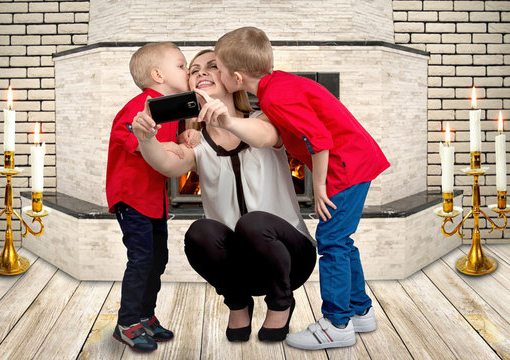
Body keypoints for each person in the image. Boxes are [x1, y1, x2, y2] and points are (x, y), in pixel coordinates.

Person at [198, 27, 390, 350]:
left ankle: (336, 323)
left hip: (345, 169)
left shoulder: (275, 96)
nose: (215, 72)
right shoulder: (278, 84)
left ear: (238, 78)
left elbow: (320, 139)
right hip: (354, 161)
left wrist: (317, 187)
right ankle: (361, 310)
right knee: (342, 239)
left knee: (332, 241)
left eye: (218, 67)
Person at [131, 49, 317, 343]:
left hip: (291, 258)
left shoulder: (265, 118)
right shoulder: (197, 145)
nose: (201, 72)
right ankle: (238, 302)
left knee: (253, 223)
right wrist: (146, 138)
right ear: (191, 85)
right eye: (194, 70)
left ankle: (281, 302)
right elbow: (167, 164)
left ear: (232, 77)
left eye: (212, 66)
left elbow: (264, 136)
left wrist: (225, 120)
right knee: (199, 232)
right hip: (242, 267)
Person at [106, 42, 198, 353]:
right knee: (142, 259)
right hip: (131, 197)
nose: (187, 71)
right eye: (182, 65)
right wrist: (154, 140)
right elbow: (125, 133)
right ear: (157, 74)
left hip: (153, 199)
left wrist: (186, 134)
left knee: (158, 259)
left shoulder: (170, 105)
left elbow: (179, 133)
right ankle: (127, 322)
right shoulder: (143, 104)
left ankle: (145, 315)